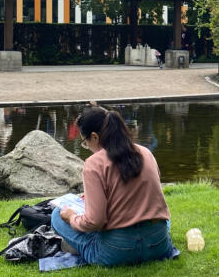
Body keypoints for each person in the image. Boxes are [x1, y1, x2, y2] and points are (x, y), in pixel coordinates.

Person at [52, 104, 174, 266]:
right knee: (161, 221)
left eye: (85, 142)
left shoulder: (94, 164)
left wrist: (72, 218)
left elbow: (95, 221)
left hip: (118, 251)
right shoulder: (145, 152)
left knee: (56, 215)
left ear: (94, 137)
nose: (86, 147)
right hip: (158, 245)